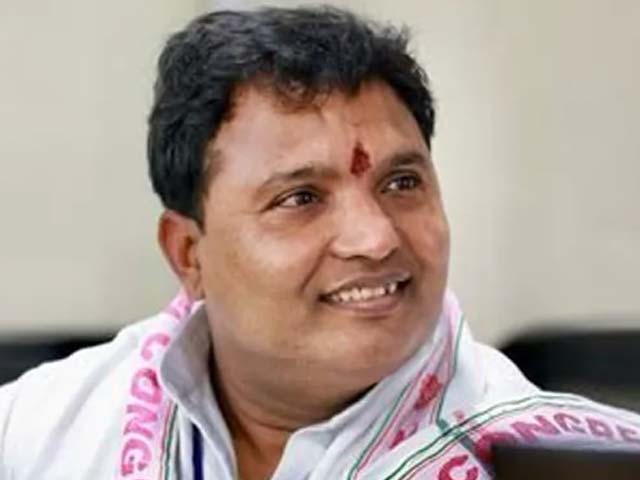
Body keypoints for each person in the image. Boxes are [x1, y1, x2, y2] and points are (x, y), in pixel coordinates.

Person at [1, 6, 639, 480]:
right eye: (301, 198)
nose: (374, 238)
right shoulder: (42, 433)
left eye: (402, 183)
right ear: (189, 254)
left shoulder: (566, 458)